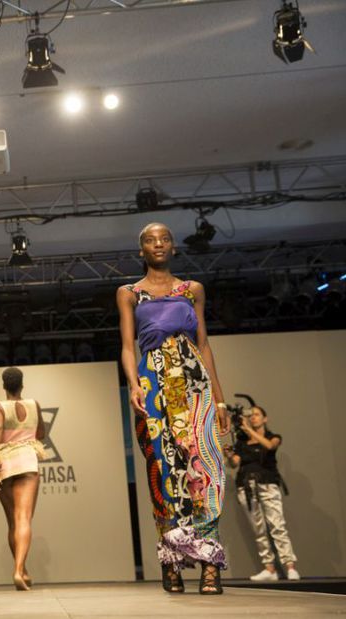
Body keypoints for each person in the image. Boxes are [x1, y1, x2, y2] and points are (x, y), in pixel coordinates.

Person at [116, 222, 231, 595]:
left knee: (205, 470)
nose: (158, 244)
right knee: (164, 471)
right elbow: (128, 345)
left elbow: (204, 344)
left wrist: (219, 398)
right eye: (150, 240)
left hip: (194, 383)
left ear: (174, 247)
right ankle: (171, 562)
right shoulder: (129, 293)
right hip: (154, 385)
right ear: (142, 250)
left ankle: (210, 564)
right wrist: (133, 385)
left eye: (164, 239)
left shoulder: (192, 289)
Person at [0, 367, 45, 591]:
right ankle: (19, 570)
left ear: (4, 386)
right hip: (27, 462)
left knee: (12, 522)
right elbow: (41, 434)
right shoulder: (34, 405)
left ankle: (21, 570)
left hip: (4, 465)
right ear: (22, 384)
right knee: (24, 519)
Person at [225, 406, 300, 581]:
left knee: (277, 526)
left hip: (267, 484)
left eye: (257, 415)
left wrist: (249, 430)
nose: (253, 418)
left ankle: (290, 566)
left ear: (265, 418)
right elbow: (235, 463)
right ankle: (270, 569)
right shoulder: (242, 442)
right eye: (251, 415)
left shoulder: (272, 437)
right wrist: (229, 455)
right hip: (247, 487)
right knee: (258, 529)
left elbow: (270, 446)